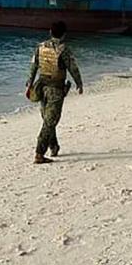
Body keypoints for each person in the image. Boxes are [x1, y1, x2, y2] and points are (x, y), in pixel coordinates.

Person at [25, 21, 83, 164]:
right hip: (56, 90)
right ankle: (39, 153)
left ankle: (54, 146)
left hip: (41, 88)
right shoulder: (64, 50)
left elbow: (34, 66)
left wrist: (29, 84)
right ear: (64, 34)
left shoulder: (40, 47)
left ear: (50, 32)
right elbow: (73, 68)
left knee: (48, 119)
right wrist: (79, 83)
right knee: (50, 121)